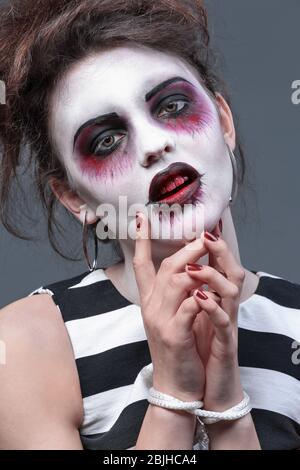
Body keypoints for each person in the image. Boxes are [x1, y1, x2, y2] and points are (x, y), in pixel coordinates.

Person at [0, 0, 299, 451]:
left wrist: (226, 407)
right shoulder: (24, 346)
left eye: (172, 105)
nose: (156, 145)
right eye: (106, 140)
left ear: (223, 120)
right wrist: (173, 396)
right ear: (76, 199)